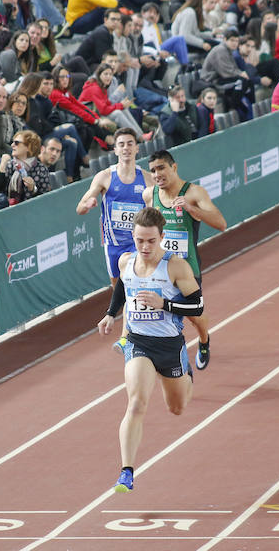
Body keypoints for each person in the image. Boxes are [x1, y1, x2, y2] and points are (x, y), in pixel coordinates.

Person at [97, 206, 204, 493]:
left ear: (162, 237)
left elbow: (198, 306)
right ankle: (126, 471)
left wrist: (165, 304)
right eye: (139, 240)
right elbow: (123, 285)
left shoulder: (175, 267)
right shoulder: (126, 261)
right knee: (136, 403)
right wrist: (110, 313)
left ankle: (187, 373)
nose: (144, 247)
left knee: (177, 408)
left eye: (150, 241)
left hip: (170, 346)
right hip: (138, 342)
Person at [142, 149, 225, 368]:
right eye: (152, 170)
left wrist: (191, 209)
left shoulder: (194, 193)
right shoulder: (149, 195)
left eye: (161, 168)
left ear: (174, 167)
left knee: (194, 317)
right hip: (161, 270)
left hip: (187, 270)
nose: (157, 174)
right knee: (159, 316)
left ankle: (204, 340)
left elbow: (221, 223)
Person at [76, 127, 153, 287]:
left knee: (137, 285)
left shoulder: (147, 178)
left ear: (137, 148)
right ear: (115, 149)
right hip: (113, 245)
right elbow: (80, 208)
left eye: (130, 143)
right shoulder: (104, 177)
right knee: (119, 290)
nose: (126, 148)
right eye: (122, 144)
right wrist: (88, 204)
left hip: (138, 242)